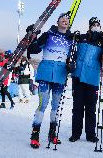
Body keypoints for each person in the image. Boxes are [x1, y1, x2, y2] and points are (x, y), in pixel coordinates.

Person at [27, 12, 74, 149]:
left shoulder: (71, 39)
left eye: (67, 20)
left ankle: (52, 133)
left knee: (55, 106)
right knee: (43, 104)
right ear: (58, 22)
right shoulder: (48, 34)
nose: (65, 21)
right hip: (46, 72)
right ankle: (35, 134)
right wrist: (32, 35)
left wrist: (71, 65)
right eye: (62, 19)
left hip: (60, 74)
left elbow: (73, 56)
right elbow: (34, 49)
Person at [69, 17, 103, 143]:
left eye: (98, 24)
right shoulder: (81, 38)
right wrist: (73, 36)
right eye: (94, 24)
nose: (96, 26)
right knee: (77, 107)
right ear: (89, 26)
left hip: (92, 77)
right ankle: (76, 133)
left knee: (91, 108)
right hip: (78, 76)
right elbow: (73, 50)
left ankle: (90, 134)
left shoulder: (102, 41)